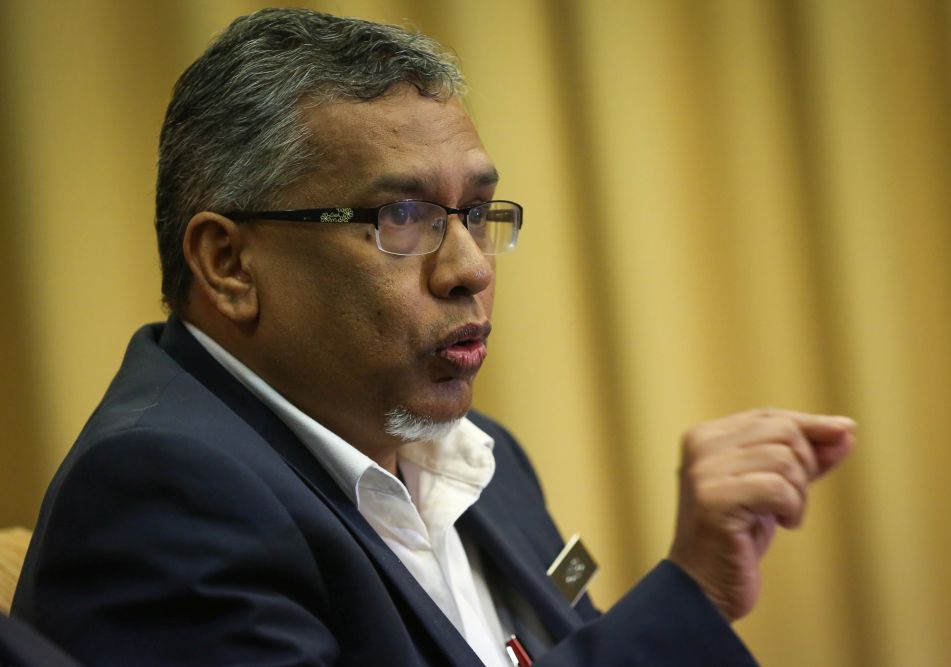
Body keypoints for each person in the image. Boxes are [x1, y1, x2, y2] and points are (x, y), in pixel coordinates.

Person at [12, 8, 855, 666]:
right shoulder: (160, 496)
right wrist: (692, 594)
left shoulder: (481, 458)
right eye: (401, 217)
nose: (470, 268)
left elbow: (570, 635)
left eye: (478, 214)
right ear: (229, 262)